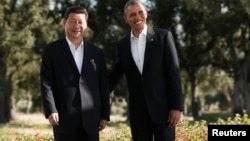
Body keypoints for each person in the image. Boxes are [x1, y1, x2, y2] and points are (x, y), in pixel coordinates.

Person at [108, 0, 183, 141]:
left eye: (140, 12)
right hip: (138, 114)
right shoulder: (122, 45)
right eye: (132, 14)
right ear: (126, 19)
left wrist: (176, 107)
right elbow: (114, 76)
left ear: (146, 14)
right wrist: (94, 92)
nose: (137, 17)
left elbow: (174, 73)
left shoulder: (164, 37)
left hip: (164, 112)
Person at [40, 6, 110, 141]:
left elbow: (103, 85)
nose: (76, 25)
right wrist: (51, 110)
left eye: (80, 22)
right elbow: (46, 83)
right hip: (63, 118)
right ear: (64, 23)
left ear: (86, 25)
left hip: (91, 118)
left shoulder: (97, 52)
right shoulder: (51, 51)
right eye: (72, 21)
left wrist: (104, 114)